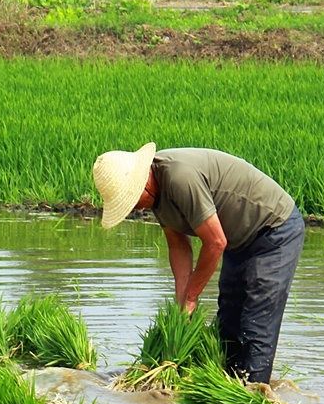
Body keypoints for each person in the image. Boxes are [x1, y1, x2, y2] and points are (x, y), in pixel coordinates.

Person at [92, 143, 305, 385]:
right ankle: (227, 392)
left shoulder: (179, 178)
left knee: (256, 323)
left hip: (273, 229)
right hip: (238, 239)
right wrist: (182, 304)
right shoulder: (156, 196)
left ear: (143, 182)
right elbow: (178, 246)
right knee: (229, 324)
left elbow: (215, 242)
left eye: (131, 200)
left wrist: (192, 297)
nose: (134, 208)